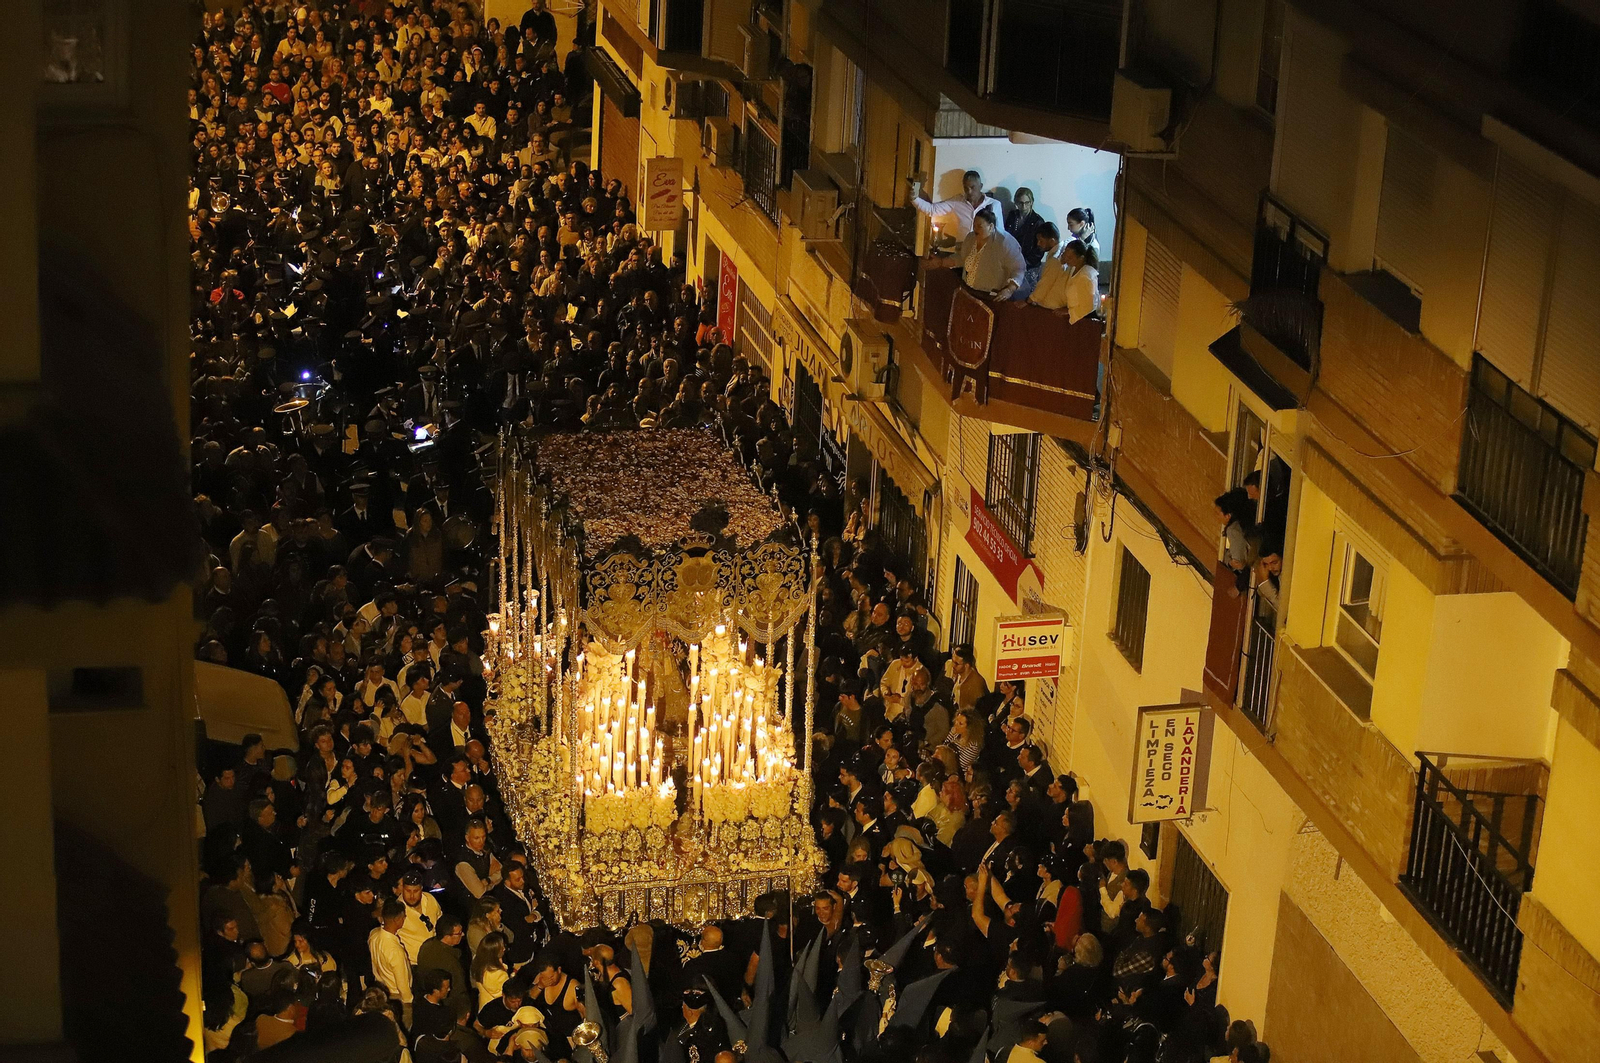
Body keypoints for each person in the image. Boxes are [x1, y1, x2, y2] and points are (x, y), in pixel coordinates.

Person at [927, 207, 1027, 302]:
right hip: (968, 290)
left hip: (990, 296)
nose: (975, 229)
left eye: (979, 226)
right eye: (974, 225)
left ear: (991, 226)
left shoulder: (1005, 242)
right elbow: (962, 259)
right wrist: (941, 262)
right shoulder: (971, 238)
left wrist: (1009, 290)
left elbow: (1018, 268)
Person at [907, 169, 1005, 240]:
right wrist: (914, 199)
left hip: (985, 252)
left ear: (981, 186)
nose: (969, 191)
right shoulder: (957, 201)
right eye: (966, 188)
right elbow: (932, 210)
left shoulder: (994, 205)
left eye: (972, 187)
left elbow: (1001, 233)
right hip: (963, 251)